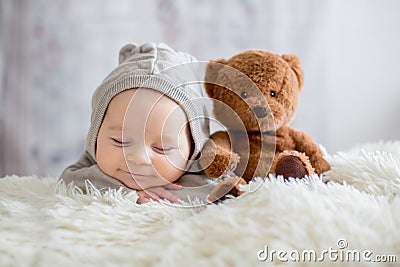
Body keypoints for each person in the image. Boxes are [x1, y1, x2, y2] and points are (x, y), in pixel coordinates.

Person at [59, 42, 218, 204]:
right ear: (96, 133)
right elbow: (69, 180)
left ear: (193, 148)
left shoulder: (206, 170)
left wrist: (170, 195)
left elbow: (219, 190)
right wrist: (128, 193)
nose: (138, 158)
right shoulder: (89, 164)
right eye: (119, 141)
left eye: (161, 148)